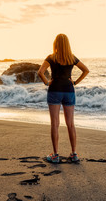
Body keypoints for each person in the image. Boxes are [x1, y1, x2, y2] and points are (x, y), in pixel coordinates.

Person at [37, 33, 89, 163]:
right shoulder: (71, 57)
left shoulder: (51, 57)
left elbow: (40, 72)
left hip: (55, 90)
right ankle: (74, 154)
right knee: (70, 124)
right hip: (69, 91)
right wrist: (75, 82)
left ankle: (55, 155)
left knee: (55, 124)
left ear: (56, 43)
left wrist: (47, 82)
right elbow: (86, 70)